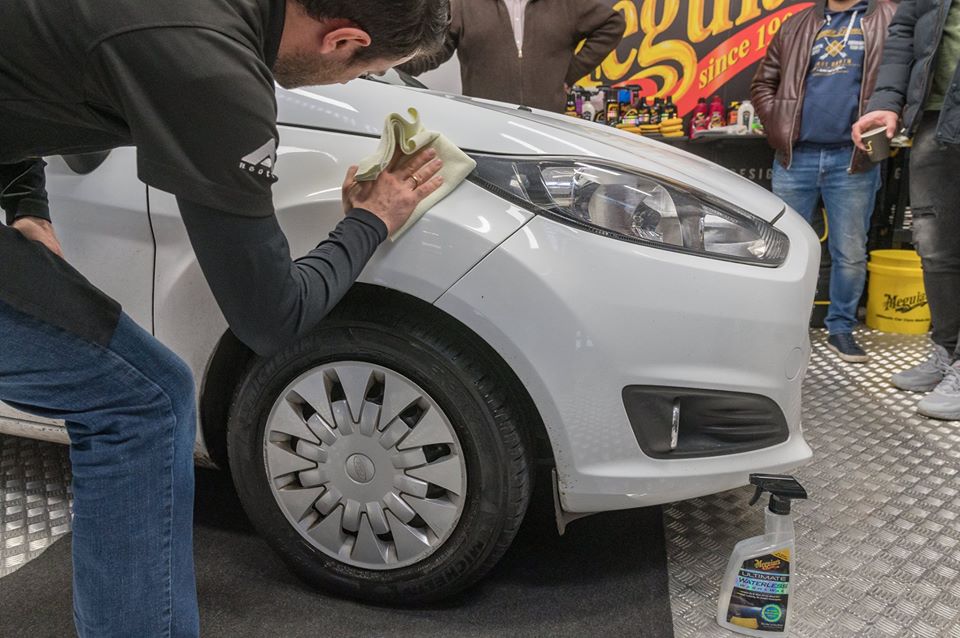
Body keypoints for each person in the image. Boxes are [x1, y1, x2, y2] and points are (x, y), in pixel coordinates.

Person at [0, 0, 449, 635]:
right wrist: (370, 221)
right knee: (145, 403)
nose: (355, 83)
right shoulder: (211, 68)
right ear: (342, 40)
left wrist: (26, 204)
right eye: (365, 71)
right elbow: (271, 318)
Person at [751, 0, 897, 363]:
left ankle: (841, 329)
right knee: (782, 249)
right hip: (794, 158)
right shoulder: (797, 23)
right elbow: (763, 82)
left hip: (853, 160)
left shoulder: (888, 17)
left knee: (850, 252)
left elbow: (905, 80)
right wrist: (776, 122)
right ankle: (781, 329)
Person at [852, 0, 960, 420]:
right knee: (934, 247)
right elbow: (904, 32)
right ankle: (947, 351)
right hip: (935, 117)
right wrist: (887, 100)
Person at [397, 0, 626, 113]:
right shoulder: (464, 5)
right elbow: (431, 54)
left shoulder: (566, 4)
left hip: (550, 125)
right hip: (486, 127)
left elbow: (612, 23)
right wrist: (390, 57)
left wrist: (570, 74)